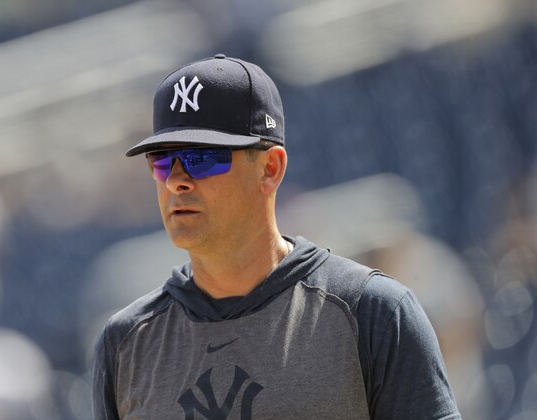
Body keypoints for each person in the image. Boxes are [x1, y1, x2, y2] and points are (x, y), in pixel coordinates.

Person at [93, 54, 461, 419]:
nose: (176, 180)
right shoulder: (124, 341)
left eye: (200, 158)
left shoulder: (373, 311)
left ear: (270, 168)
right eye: (161, 161)